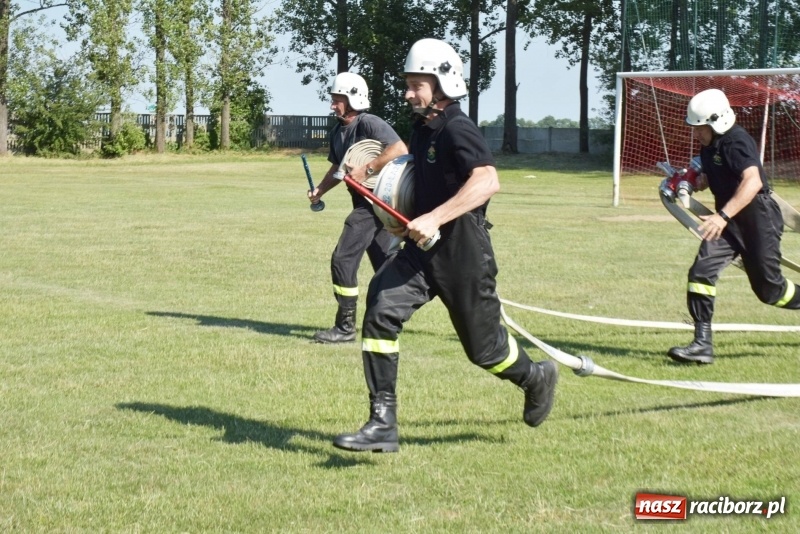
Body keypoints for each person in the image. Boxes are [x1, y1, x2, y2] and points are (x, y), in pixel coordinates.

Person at [332, 38, 557, 453]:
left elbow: (487, 180)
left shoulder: (457, 127)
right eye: (408, 84)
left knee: (485, 351)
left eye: (416, 85)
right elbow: (419, 183)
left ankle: (535, 377)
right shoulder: (422, 130)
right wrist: (403, 218)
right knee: (380, 308)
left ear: (442, 83)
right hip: (421, 252)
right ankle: (382, 423)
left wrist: (435, 217)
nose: (408, 93)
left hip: (463, 253)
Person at [668, 88, 800, 365]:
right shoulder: (709, 146)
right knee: (700, 273)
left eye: (700, 127)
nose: (696, 133)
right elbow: (714, 176)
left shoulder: (736, 141)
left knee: (770, 292)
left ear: (717, 121)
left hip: (757, 219)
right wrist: (692, 182)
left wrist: (722, 216)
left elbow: (753, 181)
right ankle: (702, 345)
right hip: (728, 222)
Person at [308, 72, 408, 344]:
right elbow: (338, 168)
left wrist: (368, 168)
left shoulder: (369, 122)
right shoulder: (337, 132)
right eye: (333, 99)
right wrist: (320, 190)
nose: (332, 105)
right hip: (366, 204)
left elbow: (399, 149)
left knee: (343, 258)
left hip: (375, 202)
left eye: (337, 100)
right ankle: (388, 319)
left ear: (354, 98)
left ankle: (345, 327)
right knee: (386, 263)